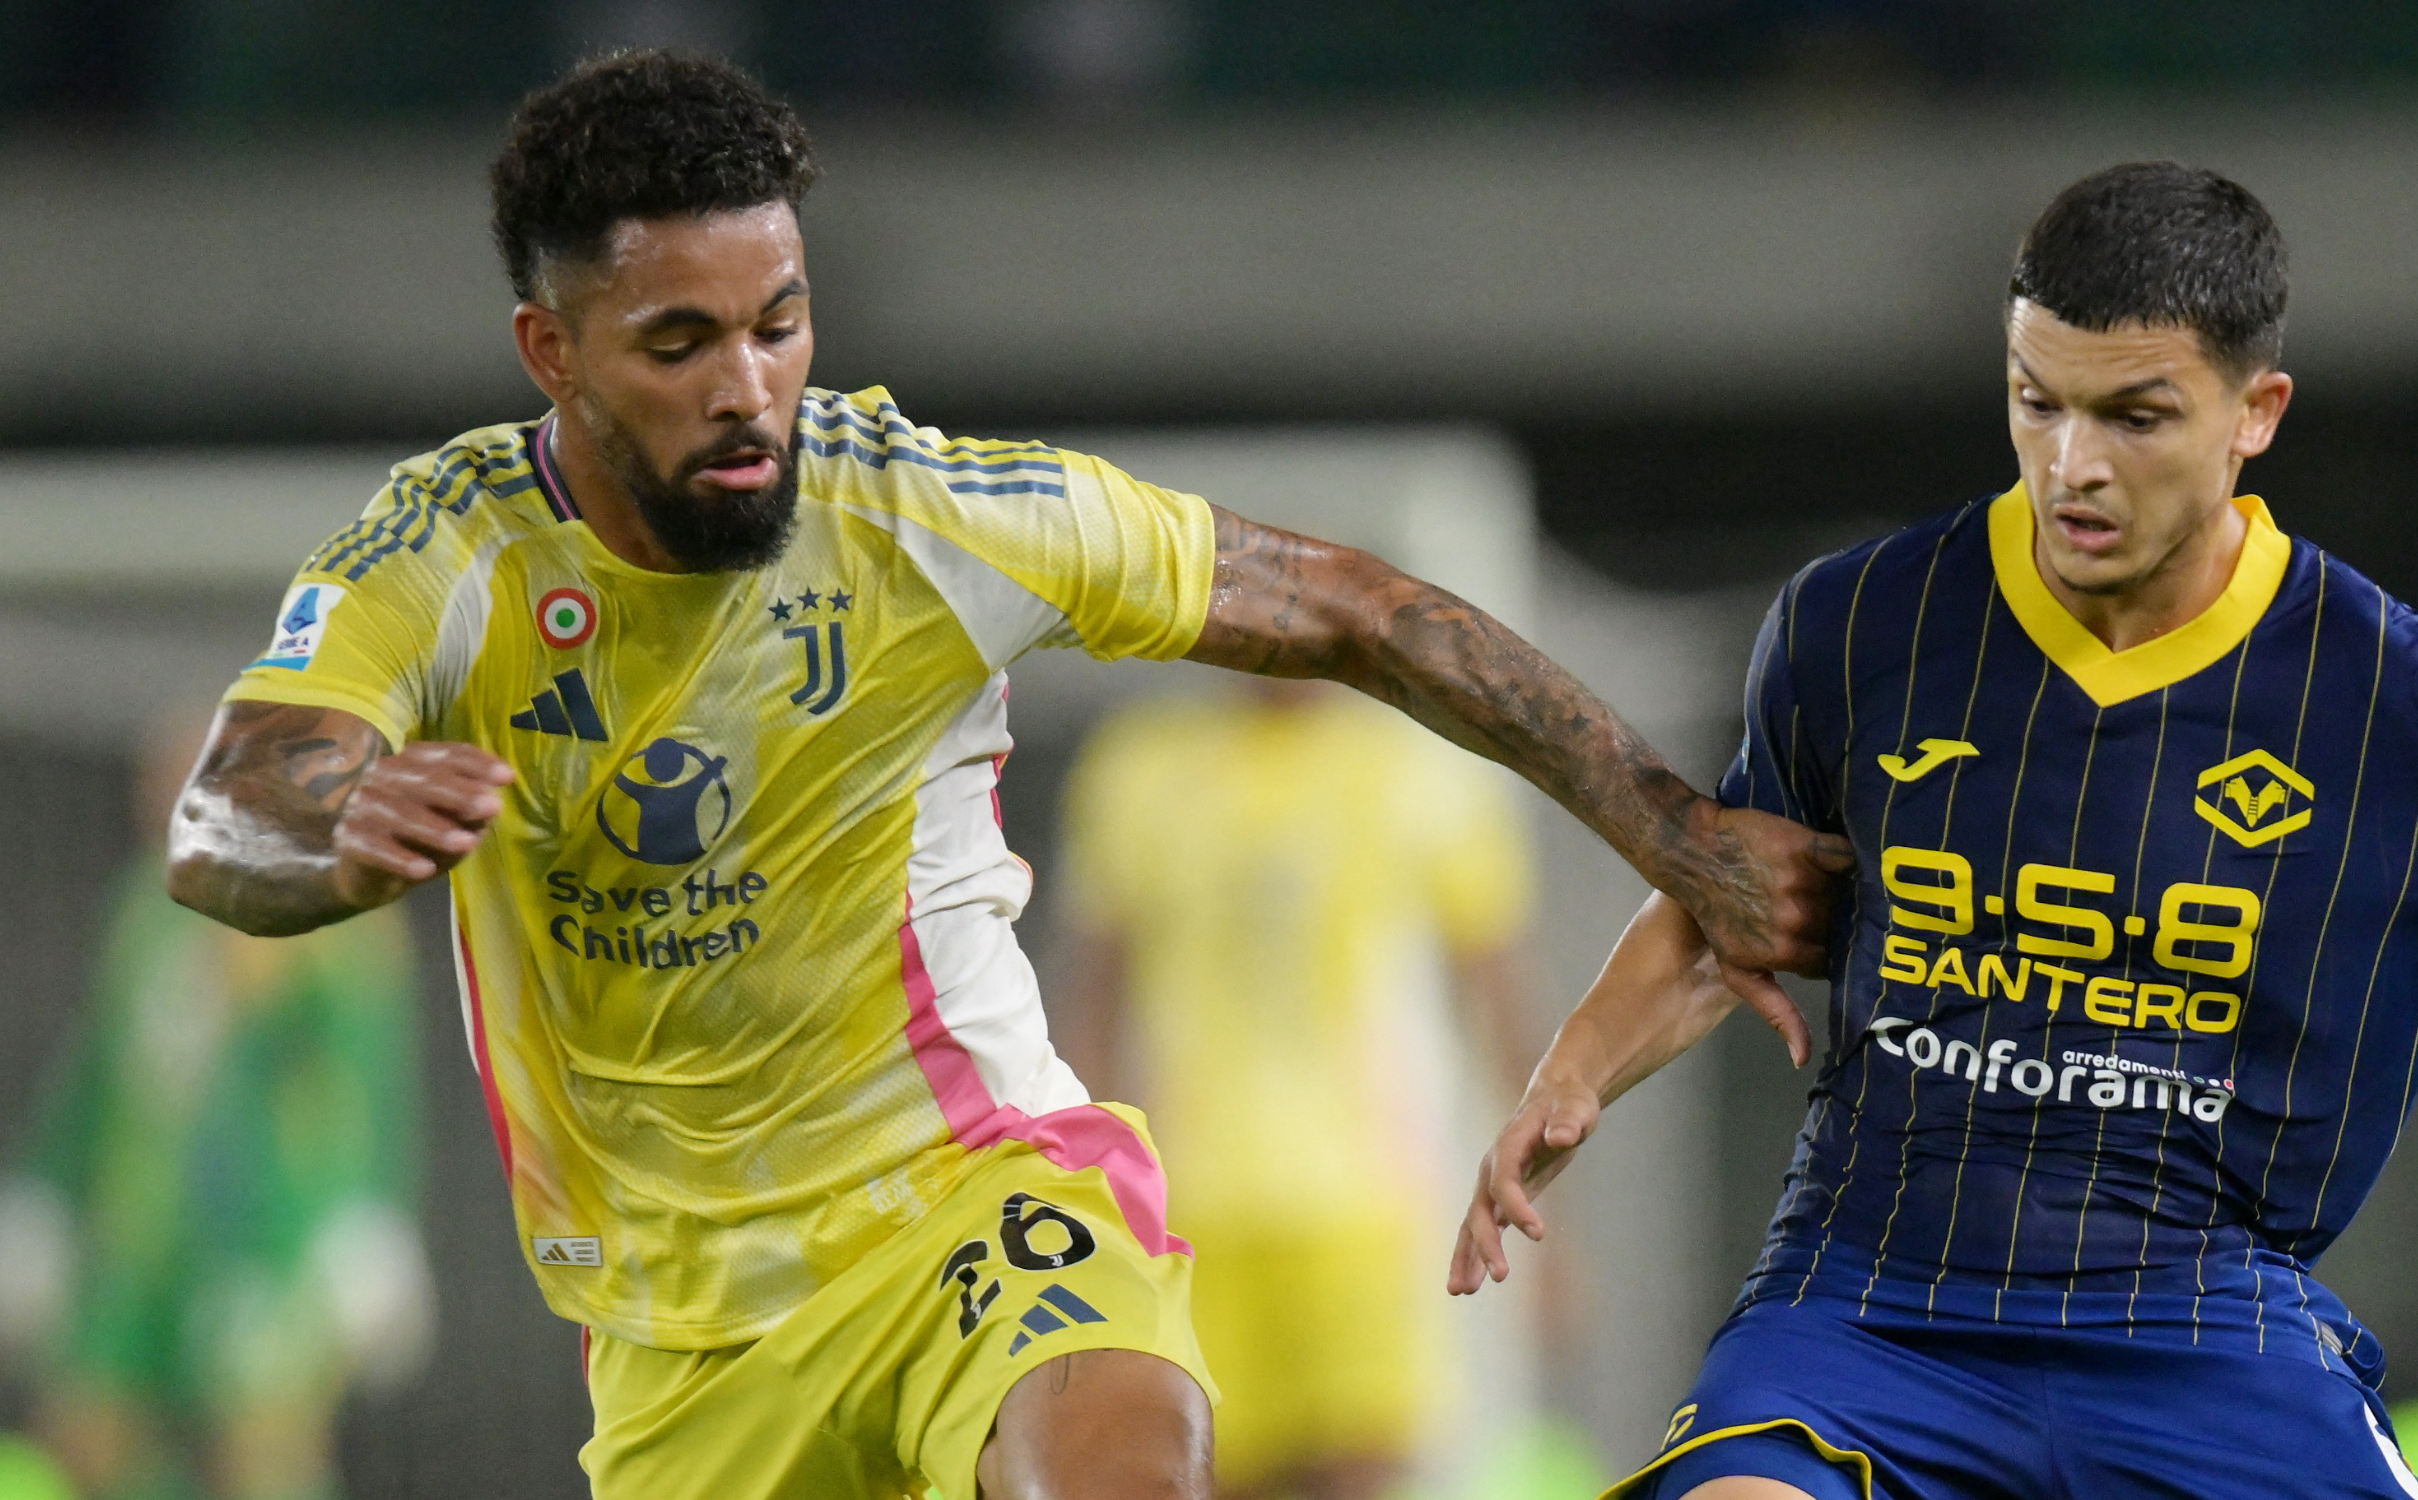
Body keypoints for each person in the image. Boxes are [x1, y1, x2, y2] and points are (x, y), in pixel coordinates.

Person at [161, 51, 1843, 1500]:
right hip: (683, 1329)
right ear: (552, 351)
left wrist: (1680, 834)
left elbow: (1355, 608)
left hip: (970, 1195)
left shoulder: (929, 516)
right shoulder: (442, 555)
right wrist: (326, 830)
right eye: (679, 343)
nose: (749, 388)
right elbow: (231, 802)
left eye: (780, 322)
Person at [1449, 162, 2418, 1499]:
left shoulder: (2402, 691)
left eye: (2135, 416)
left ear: (2257, 414)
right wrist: (1572, 1072)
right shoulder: (1858, 623)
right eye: (2034, 403)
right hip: (1868, 1311)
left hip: (2199, 1325)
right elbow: (1739, 894)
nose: (2073, 466)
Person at [1058, 678, 1545, 1500]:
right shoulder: (1143, 766)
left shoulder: (1417, 768)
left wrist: (1545, 1210)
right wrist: (1081, 1187)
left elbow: (1495, 989)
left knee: (1361, 1474)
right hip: (1190, 1207)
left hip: (1370, 1208)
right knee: (1208, 1473)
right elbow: (1097, 993)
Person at [0, 720, 430, 1500]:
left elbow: (362, 1080)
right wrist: (46, 1195)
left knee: (260, 1447)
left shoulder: (339, 913)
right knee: (89, 1434)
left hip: (268, 1236)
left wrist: (366, 1218)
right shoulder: (141, 909)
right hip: (140, 1233)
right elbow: (99, 1074)